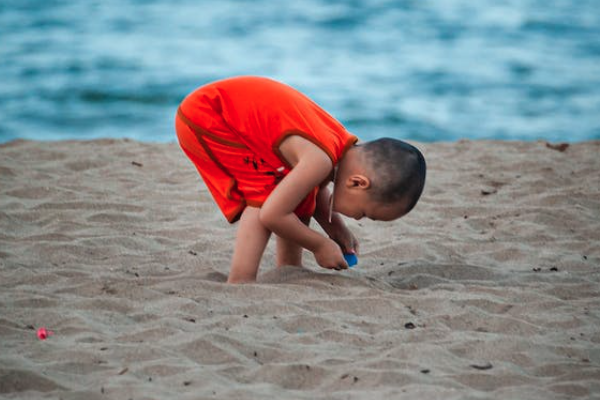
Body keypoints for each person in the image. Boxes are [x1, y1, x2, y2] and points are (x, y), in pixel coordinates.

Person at [175, 76, 426, 283]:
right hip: (209, 116)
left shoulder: (338, 147)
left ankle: (289, 269)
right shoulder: (320, 161)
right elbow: (272, 214)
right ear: (358, 183)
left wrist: (334, 226)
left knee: (295, 194)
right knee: (264, 200)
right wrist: (318, 245)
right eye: (364, 213)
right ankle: (241, 281)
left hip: (222, 110)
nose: (359, 218)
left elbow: (311, 191)